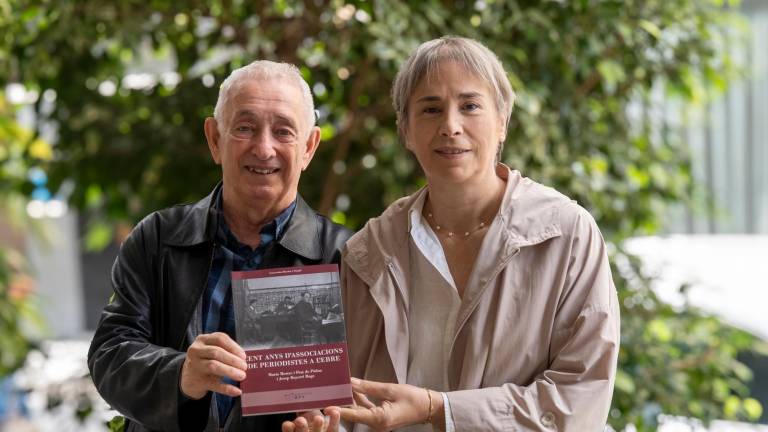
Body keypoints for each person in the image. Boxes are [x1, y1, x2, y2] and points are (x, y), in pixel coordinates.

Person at [284, 36, 619, 432]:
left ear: (502, 123)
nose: (450, 126)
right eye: (430, 109)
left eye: (470, 106)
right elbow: (350, 402)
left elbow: (579, 402)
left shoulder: (566, 235)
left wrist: (439, 409)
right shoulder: (369, 252)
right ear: (406, 130)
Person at [88, 60, 352, 432]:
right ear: (215, 139)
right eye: (245, 128)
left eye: (283, 131)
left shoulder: (345, 256)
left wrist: (331, 421)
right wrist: (181, 374)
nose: (264, 148)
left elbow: (370, 384)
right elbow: (109, 354)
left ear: (309, 147)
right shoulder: (158, 239)